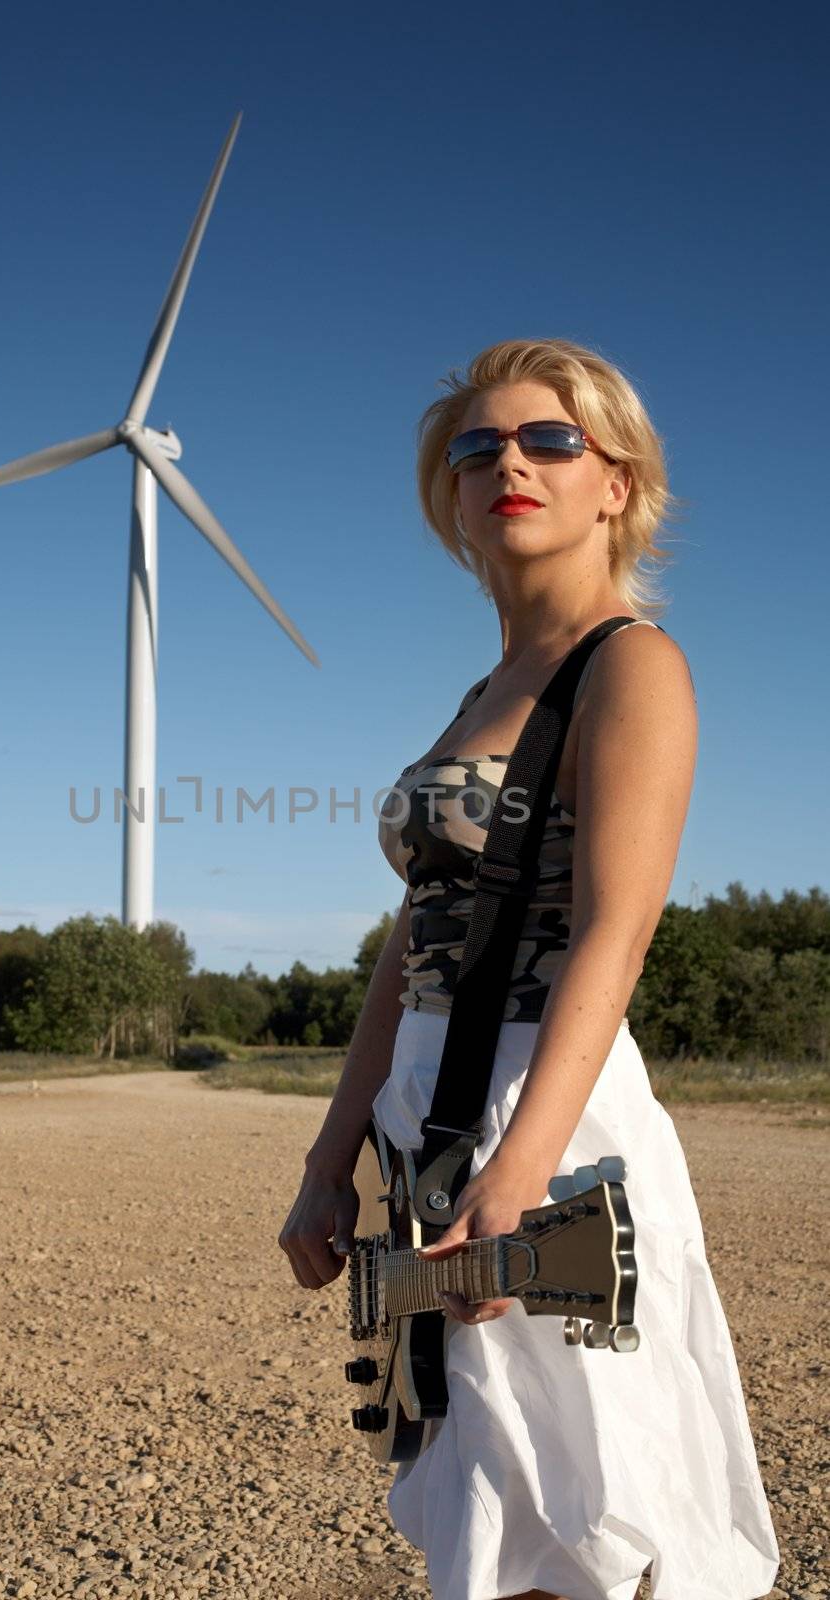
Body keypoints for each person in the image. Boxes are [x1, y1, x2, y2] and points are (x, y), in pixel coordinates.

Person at [277, 338, 781, 1600]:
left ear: (616, 483)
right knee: (490, 1484)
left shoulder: (632, 665)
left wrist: (518, 1166)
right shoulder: (483, 690)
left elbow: (616, 930)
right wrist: (329, 1153)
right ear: (448, 495)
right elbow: (414, 943)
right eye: (476, 446)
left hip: (542, 1109)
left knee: (580, 1499)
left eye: (549, 439)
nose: (509, 461)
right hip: (432, 1104)